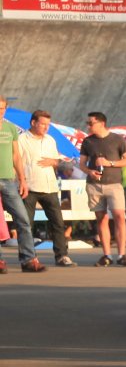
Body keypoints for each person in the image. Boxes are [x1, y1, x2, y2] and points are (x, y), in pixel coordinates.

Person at [15, 110, 74, 267]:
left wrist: (53, 162)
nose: (46, 127)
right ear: (33, 123)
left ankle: (62, 256)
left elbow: (56, 161)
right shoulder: (22, 139)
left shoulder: (50, 140)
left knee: (58, 222)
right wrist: (21, 181)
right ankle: (28, 258)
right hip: (29, 186)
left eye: (48, 124)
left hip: (49, 187)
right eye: (43, 124)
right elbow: (16, 161)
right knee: (26, 225)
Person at [78, 111, 126, 266]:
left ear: (101, 123)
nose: (88, 126)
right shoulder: (88, 141)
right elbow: (82, 164)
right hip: (94, 185)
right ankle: (107, 255)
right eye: (87, 123)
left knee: (119, 216)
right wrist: (89, 171)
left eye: (91, 123)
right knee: (101, 219)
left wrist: (109, 163)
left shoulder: (117, 139)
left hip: (114, 183)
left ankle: (122, 254)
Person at [0, 95, 45, 272]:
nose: (0, 111)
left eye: (2, 108)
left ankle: (28, 260)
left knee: (23, 219)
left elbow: (16, 156)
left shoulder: (10, 128)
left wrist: (22, 179)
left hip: (8, 180)